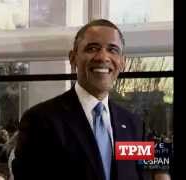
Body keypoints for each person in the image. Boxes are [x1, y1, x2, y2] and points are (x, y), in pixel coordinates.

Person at [12, 19, 153, 180]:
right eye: (92, 48)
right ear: (73, 59)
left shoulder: (134, 125)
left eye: (112, 50)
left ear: (122, 63)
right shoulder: (40, 120)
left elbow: (146, 174)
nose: (103, 57)